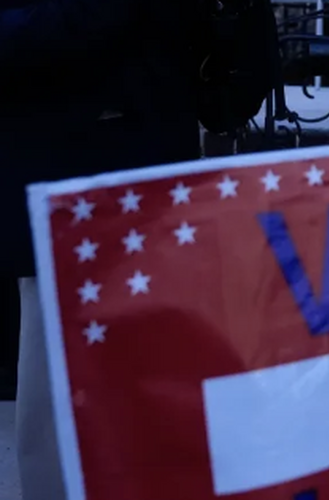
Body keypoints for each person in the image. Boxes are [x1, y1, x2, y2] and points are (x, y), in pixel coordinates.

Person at [0, 0, 202, 498]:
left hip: (159, 172)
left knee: (158, 375)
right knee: (54, 382)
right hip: (62, 179)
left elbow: (226, 79)